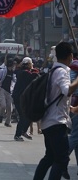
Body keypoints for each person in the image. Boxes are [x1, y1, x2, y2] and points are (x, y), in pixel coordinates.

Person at [34, 42, 78, 180]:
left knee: (50, 157)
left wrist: (70, 109)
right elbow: (67, 90)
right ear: (70, 56)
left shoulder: (53, 70)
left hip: (50, 120)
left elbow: (57, 96)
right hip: (56, 123)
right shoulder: (62, 71)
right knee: (62, 159)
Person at [12, 57, 39, 141]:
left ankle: (23, 131)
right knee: (23, 115)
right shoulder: (22, 73)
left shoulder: (25, 72)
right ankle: (17, 135)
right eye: (31, 64)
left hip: (25, 98)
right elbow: (35, 75)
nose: (32, 65)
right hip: (18, 97)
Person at [0, 58, 16, 127]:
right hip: (2, 89)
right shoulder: (3, 71)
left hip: (9, 91)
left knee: (9, 108)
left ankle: (7, 122)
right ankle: (1, 115)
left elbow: (14, 81)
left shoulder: (13, 73)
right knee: (3, 105)